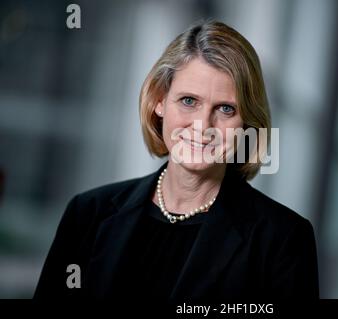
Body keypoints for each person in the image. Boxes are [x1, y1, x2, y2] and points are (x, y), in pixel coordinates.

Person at [34, 20, 319, 301]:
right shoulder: (88, 215)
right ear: (159, 100)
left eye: (225, 108)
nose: (202, 125)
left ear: (247, 124)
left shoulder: (283, 239)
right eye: (188, 101)